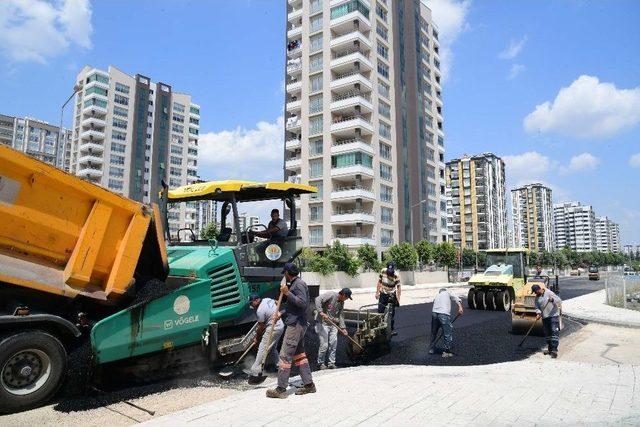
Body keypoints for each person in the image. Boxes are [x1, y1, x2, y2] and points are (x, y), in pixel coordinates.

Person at [266, 263, 316, 398]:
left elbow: (302, 303)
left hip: (295, 325)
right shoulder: (295, 284)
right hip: (298, 323)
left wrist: (287, 293)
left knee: (284, 356)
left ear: (288, 273)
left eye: (285, 273)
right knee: (300, 355)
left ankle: (281, 389)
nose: (284, 275)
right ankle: (309, 385)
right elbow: (293, 307)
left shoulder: (298, 284)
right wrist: (281, 313)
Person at [315, 288, 352, 369]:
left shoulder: (341, 303)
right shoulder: (331, 295)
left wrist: (343, 328)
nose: (346, 299)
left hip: (333, 324)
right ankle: (320, 363)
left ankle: (331, 363)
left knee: (333, 343)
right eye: (347, 297)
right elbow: (317, 299)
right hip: (322, 323)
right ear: (343, 295)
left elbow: (341, 315)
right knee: (324, 344)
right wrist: (321, 312)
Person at [248, 293, 284, 375]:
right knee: (272, 349)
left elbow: (261, 327)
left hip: (273, 328)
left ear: (256, 300)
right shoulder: (267, 299)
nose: (251, 304)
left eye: (251, 302)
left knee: (262, 347)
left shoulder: (259, 311)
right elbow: (277, 302)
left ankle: (255, 368)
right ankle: (281, 367)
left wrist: (257, 338)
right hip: (280, 326)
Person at [429, 288, 464, 358]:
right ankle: (446, 352)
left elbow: (434, 302)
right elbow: (456, 298)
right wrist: (460, 307)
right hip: (443, 314)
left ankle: (431, 348)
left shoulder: (437, 295)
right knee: (448, 331)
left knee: (434, 332)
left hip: (434, 313)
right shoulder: (448, 292)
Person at [532, 284, 562, 358]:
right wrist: (538, 313)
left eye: (535, 291)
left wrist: (552, 300)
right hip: (545, 317)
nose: (535, 293)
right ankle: (550, 348)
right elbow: (537, 307)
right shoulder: (537, 298)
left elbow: (559, 300)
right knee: (548, 333)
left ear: (539, 289)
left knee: (553, 331)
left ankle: (554, 350)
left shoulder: (549, 293)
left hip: (553, 315)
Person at [376, 261, 401, 335]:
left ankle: (391, 329)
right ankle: (380, 328)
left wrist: (398, 299)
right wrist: (377, 292)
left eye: (391, 271)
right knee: (380, 311)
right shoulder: (383, 271)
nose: (390, 272)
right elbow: (379, 282)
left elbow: (398, 287)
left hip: (391, 295)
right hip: (383, 293)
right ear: (387, 268)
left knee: (391, 313)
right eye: (389, 271)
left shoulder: (396, 275)